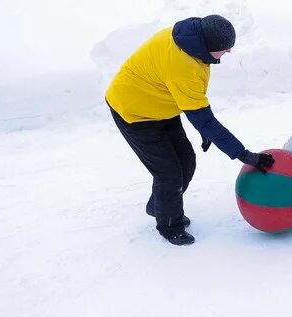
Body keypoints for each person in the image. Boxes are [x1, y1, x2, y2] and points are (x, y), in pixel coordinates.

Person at [106, 15, 274, 245]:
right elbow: (202, 116)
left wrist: (205, 129)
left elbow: (197, 107)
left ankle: (159, 206)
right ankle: (169, 226)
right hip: (134, 112)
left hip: (160, 103)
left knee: (186, 160)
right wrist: (244, 155)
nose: (228, 53)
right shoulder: (183, 66)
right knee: (169, 172)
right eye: (225, 50)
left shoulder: (189, 42)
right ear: (209, 46)